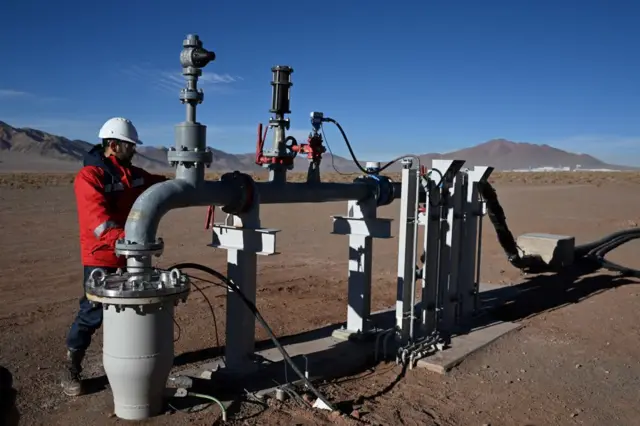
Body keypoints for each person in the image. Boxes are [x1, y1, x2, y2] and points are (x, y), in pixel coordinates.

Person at [61, 117, 167, 396]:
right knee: (92, 311)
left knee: (136, 308)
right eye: (129, 146)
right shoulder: (90, 177)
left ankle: (135, 363)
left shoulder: (133, 174)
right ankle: (72, 364)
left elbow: (159, 186)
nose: (134, 150)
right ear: (113, 144)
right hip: (102, 257)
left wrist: (187, 183)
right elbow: (99, 223)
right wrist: (130, 241)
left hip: (131, 256)